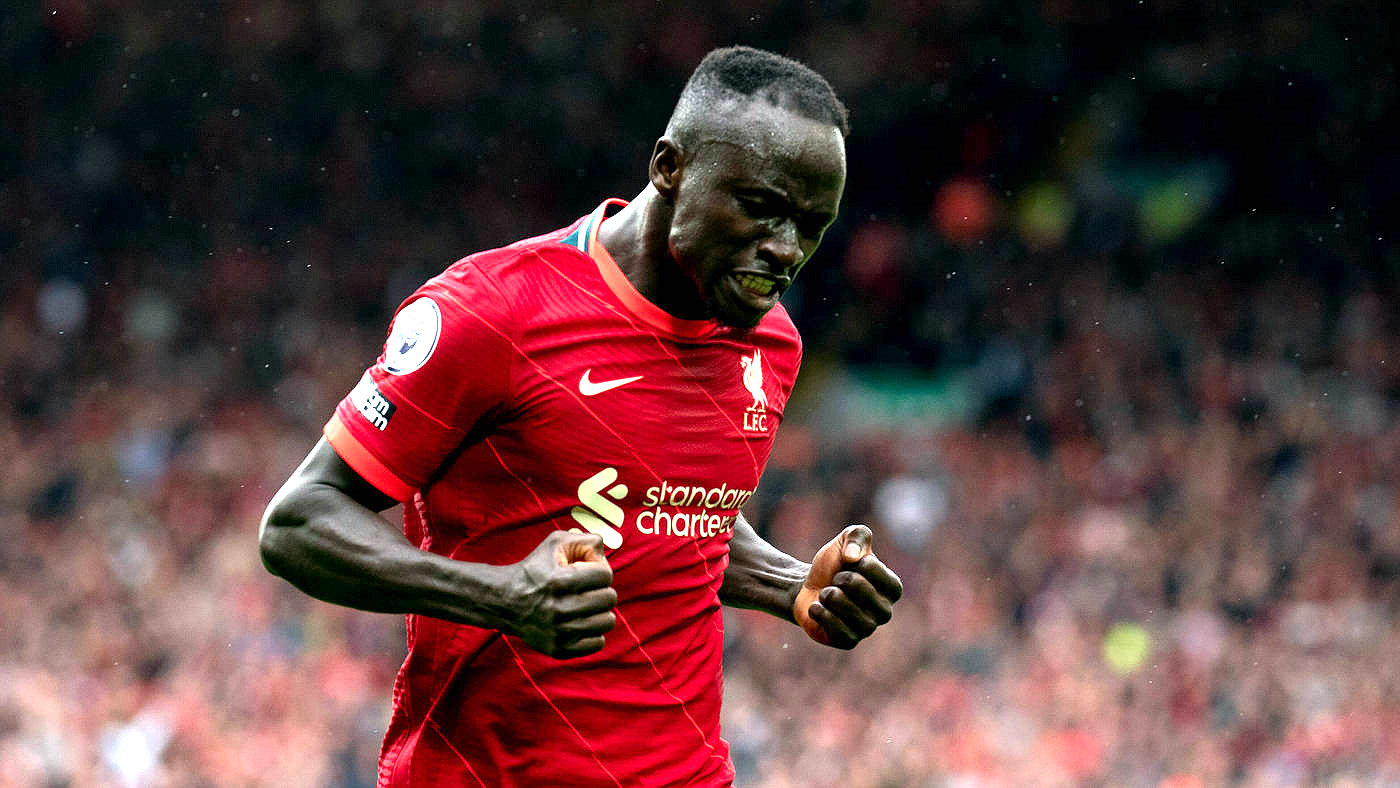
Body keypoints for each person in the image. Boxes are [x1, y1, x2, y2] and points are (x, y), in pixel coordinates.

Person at [259, 45, 903, 787]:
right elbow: (298, 523)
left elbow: (678, 515)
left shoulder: (770, 342)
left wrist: (792, 587)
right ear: (670, 167)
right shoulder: (495, 311)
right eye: (760, 208)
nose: (786, 250)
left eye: (813, 225)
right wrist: (499, 596)